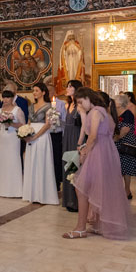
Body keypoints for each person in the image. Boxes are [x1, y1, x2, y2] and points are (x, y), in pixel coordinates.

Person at [63, 88, 131, 239]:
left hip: (98, 152)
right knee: (99, 188)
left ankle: (80, 228)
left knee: (82, 189)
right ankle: (99, 225)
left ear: (88, 98)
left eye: (81, 102)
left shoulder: (95, 112)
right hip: (107, 152)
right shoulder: (105, 112)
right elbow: (109, 134)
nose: (80, 106)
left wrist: (84, 152)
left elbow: (93, 136)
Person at [22, 82, 59, 205]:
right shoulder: (31, 106)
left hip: (42, 136)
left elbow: (48, 124)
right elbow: (28, 122)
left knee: (42, 163)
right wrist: (25, 134)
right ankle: (32, 194)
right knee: (31, 162)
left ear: (43, 92)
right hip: (31, 135)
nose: (34, 93)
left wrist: (36, 136)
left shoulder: (49, 106)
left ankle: (43, 194)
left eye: (37, 90)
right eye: (33, 90)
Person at [0, 90, 24, 198]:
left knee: (13, 162)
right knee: (3, 163)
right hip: (2, 139)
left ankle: (16, 191)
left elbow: (23, 125)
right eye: (4, 97)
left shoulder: (17, 110)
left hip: (13, 139)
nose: (5, 99)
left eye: (8, 97)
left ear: (12, 98)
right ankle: (3, 190)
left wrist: (11, 124)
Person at [60, 80, 83, 212]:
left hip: (76, 137)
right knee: (67, 166)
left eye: (70, 86)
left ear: (76, 89)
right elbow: (66, 123)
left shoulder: (80, 105)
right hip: (67, 137)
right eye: (67, 86)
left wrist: (80, 142)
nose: (67, 88)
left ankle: (76, 201)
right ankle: (68, 199)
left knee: (75, 167)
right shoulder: (67, 105)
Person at [115, 93, 136, 199]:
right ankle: (119, 190)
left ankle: (127, 190)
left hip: (126, 144)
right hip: (117, 143)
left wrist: (115, 138)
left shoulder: (128, 113)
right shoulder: (116, 113)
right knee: (118, 168)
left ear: (120, 103)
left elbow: (125, 129)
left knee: (126, 169)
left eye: (115, 101)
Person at [49, 92, 66, 189]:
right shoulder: (45, 104)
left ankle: (57, 181)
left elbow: (64, 120)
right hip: (47, 133)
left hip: (57, 134)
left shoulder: (61, 104)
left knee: (56, 158)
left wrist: (57, 119)